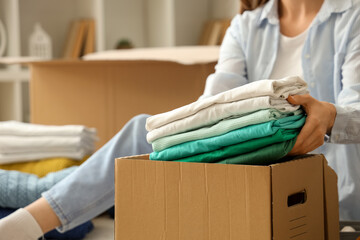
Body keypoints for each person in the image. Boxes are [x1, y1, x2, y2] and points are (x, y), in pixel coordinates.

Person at [1, 0, 360, 239]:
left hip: (320, 186)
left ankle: (31, 211)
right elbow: (217, 104)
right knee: (146, 132)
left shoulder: (352, 16)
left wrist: (330, 117)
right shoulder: (247, 26)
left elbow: (356, 110)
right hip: (245, 167)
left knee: (60, 182)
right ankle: (27, 220)